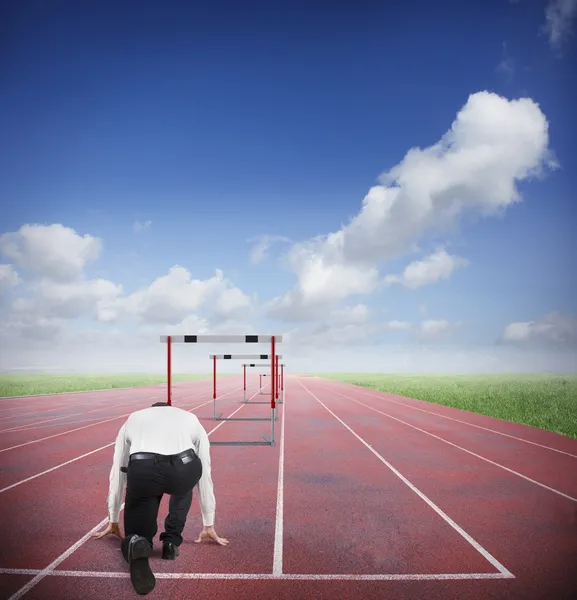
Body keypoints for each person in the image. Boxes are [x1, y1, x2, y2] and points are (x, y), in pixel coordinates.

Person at [93, 401, 229, 595]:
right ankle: (171, 542)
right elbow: (205, 472)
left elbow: (118, 469)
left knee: (142, 496)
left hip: (144, 468)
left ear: (151, 409)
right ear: (170, 408)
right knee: (185, 485)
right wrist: (209, 523)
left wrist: (113, 517)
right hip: (183, 468)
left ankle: (138, 542)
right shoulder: (190, 417)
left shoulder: (133, 418)